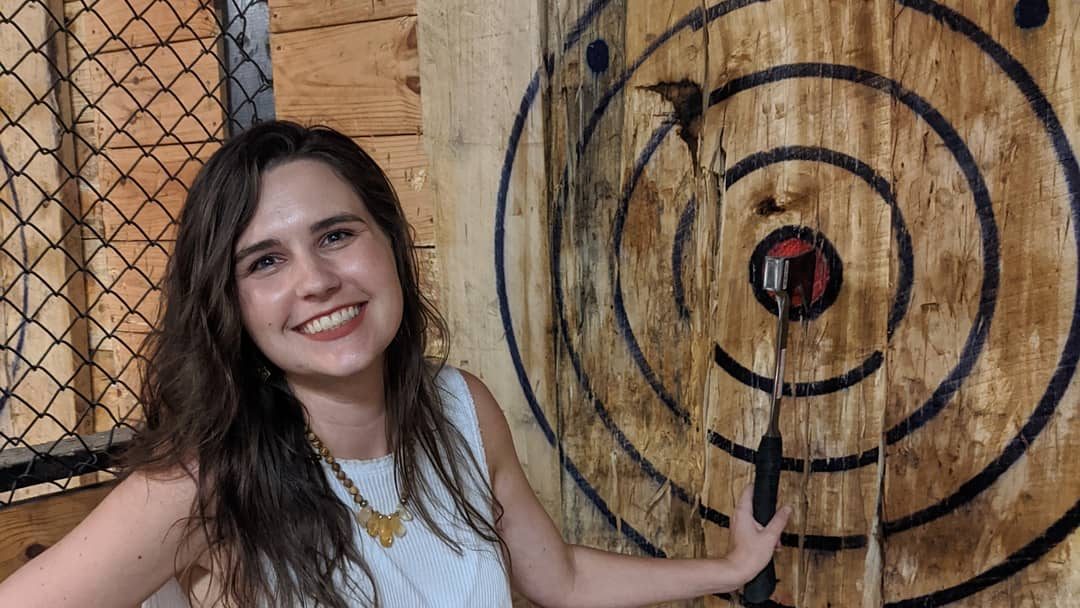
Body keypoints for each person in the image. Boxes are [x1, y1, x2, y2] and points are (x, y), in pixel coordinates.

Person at [0, 121, 791, 607]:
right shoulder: (204, 480)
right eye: (265, 261)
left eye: (336, 235)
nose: (316, 281)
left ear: (390, 246)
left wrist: (727, 569)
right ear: (229, 304)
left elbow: (561, 581)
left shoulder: (461, 408)